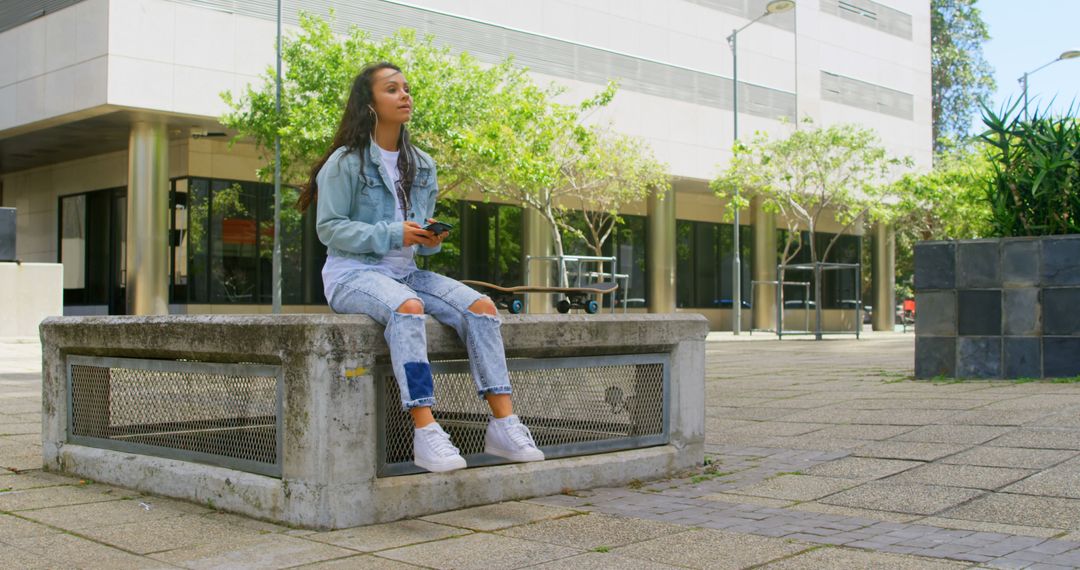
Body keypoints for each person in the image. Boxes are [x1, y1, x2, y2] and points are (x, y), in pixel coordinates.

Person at [296, 62, 545, 473]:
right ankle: (426, 431)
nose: (405, 95)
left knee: (481, 308)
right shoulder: (345, 162)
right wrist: (395, 233)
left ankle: (504, 424)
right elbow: (331, 230)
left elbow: (420, 245)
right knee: (407, 308)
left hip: (406, 273)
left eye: (406, 88)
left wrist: (428, 238)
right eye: (392, 89)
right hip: (352, 274)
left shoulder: (421, 164)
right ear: (369, 102)